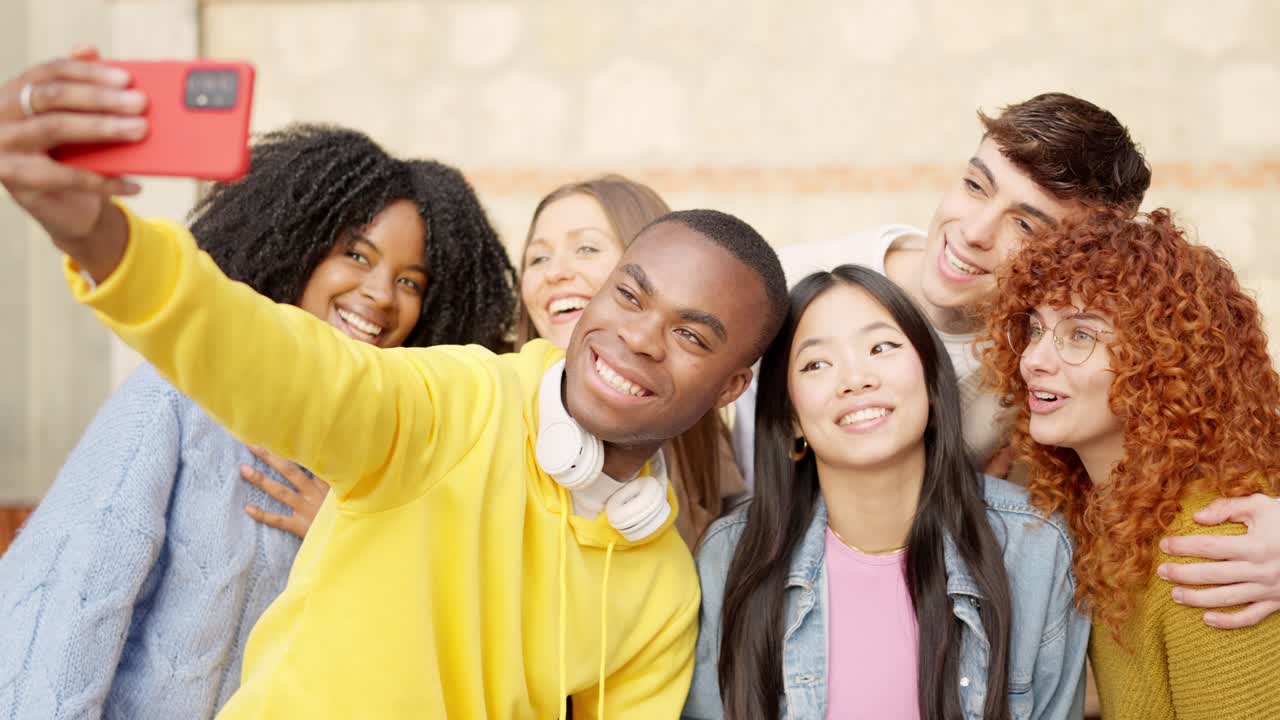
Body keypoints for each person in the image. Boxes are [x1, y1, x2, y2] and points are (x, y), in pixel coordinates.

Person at [0, 51, 791, 718]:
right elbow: (274, 359)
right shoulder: (451, 403)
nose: (639, 338)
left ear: (731, 387)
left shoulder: (660, 589)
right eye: (629, 293)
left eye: (691, 335)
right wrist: (100, 238)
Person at [0, 123, 516, 718]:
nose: (379, 294)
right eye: (356, 255)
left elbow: (429, 661)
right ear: (297, 245)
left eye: (409, 282)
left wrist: (350, 531)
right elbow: (69, 610)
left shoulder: (396, 468)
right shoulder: (179, 397)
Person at [734, 91, 1280, 629]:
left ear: (1079, 253)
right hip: (757, 606)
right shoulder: (780, 289)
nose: (972, 233)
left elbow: (1212, 433)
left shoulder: (1056, 371)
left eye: (1026, 225)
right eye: (975, 186)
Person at [685, 265, 1085, 720]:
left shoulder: (1035, 546)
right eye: (816, 364)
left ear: (932, 382)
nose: (856, 379)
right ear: (791, 417)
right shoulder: (731, 555)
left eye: (881, 347)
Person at [980, 208, 1280, 719]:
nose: (1034, 360)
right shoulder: (1105, 514)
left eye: (1080, 334)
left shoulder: (1214, 547)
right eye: (1035, 328)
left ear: (1164, 363)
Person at [519, 174, 744, 549]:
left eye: (587, 249)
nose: (554, 272)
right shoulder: (488, 406)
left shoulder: (702, 442)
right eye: (538, 257)